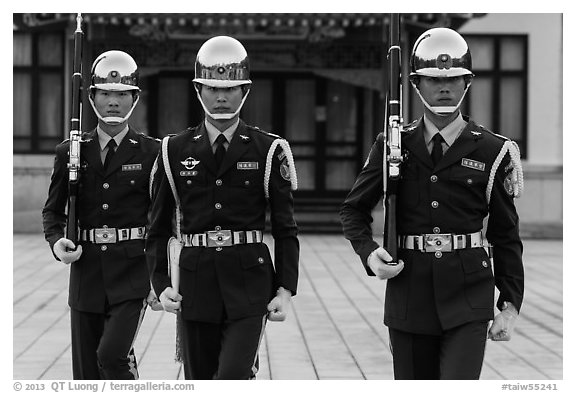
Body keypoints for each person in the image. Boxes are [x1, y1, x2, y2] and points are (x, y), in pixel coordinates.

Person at [340, 27, 524, 380]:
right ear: (415, 83)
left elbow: (505, 234)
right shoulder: (394, 145)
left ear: (467, 83)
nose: (444, 87)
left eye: (454, 79)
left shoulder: (492, 150)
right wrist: (368, 252)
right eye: (433, 79)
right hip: (410, 294)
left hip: (469, 295)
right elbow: (353, 209)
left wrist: (509, 305)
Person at [145, 35, 299, 380]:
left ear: (245, 91)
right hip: (194, 284)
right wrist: (160, 282)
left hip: (249, 281)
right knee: (198, 378)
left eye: (230, 88)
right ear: (198, 90)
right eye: (212, 88)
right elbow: (157, 226)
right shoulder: (173, 149)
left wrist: (285, 289)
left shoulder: (268, 150)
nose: (221, 96)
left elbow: (286, 227)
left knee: (231, 375)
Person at [42, 50, 161, 379]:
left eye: (122, 94)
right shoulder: (71, 151)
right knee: (85, 374)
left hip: (133, 274)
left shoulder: (152, 152)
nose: (113, 102)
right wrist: (57, 243)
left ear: (134, 99)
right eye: (106, 94)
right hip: (86, 274)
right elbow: (53, 212)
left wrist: (160, 275)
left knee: (111, 356)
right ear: (91, 97)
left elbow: (163, 218)